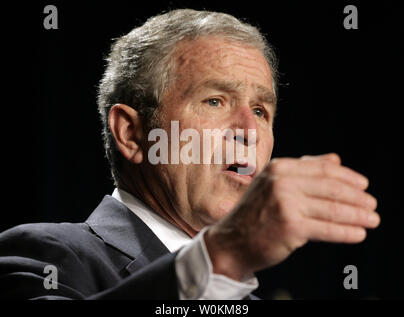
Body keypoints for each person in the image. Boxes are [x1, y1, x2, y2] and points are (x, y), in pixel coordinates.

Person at [0, 9, 380, 300]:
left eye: (262, 111)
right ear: (132, 134)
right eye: (215, 100)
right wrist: (224, 256)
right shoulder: (48, 256)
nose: (250, 131)